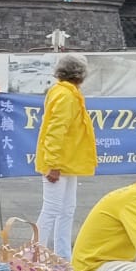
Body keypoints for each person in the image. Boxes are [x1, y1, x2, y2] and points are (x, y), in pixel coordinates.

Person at [35, 53, 96, 259]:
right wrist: (53, 164)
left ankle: (62, 256)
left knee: (66, 210)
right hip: (59, 162)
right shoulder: (67, 96)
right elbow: (56, 131)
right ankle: (35, 257)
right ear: (81, 74)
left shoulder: (65, 92)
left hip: (67, 161)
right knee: (52, 209)